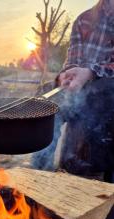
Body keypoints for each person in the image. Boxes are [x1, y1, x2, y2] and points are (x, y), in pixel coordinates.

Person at [32, 0, 114, 179]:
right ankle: (36, 179)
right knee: (46, 104)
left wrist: (91, 72)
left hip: (108, 96)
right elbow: (73, 60)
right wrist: (67, 75)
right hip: (82, 89)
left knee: (106, 93)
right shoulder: (84, 20)